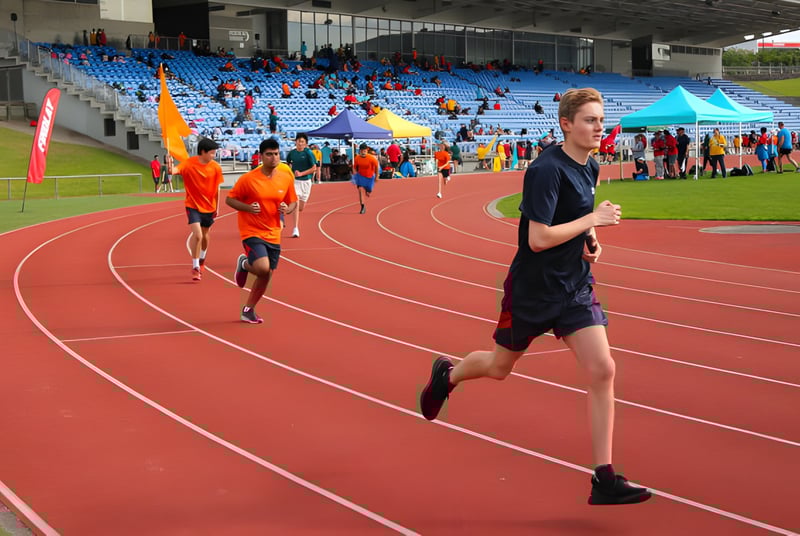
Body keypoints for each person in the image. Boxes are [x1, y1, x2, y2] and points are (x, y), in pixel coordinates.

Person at [418, 87, 652, 507]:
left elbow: (579, 216)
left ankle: (604, 477)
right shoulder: (546, 170)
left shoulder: (590, 165)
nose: (599, 127)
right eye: (590, 120)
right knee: (498, 367)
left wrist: (591, 238)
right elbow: (538, 238)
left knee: (603, 369)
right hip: (532, 289)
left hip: (574, 287)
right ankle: (447, 376)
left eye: (601, 120)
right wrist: (592, 219)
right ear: (566, 124)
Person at [227, 139, 298, 324]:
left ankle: (248, 310)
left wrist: (287, 209)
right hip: (252, 230)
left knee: (267, 274)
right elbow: (230, 200)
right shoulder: (249, 179)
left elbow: (292, 201)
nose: (273, 158)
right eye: (269, 154)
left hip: (274, 232)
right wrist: (248, 208)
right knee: (262, 268)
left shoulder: (285, 176)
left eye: (276, 154)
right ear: (261, 156)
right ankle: (244, 263)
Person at [168, 138, 224, 281]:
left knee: (205, 236)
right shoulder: (188, 163)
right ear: (203, 152)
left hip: (209, 207)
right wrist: (170, 166)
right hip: (192, 205)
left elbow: (218, 189)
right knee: (198, 235)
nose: (214, 156)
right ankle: (195, 267)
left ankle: (203, 259)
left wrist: (217, 207)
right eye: (212, 153)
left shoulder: (216, 167)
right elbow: (174, 171)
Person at [285, 132, 318, 237]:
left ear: (306, 143)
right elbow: (288, 163)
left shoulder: (309, 153)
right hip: (295, 182)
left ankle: (291, 210)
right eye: (299, 141)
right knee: (296, 202)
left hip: (306, 182)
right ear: (296, 142)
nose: (300, 143)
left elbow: (314, 168)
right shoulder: (292, 153)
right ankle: (295, 228)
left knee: (301, 207)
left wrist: (302, 173)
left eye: (302, 142)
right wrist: (290, 171)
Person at [351, 143, 379, 214]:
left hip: (370, 177)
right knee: (360, 189)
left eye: (364, 151)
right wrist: (355, 175)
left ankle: (367, 190)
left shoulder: (372, 158)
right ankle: (362, 207)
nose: (363, 152)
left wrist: (376, 177)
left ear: (367, 150)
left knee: (369, 190)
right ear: (359, 151)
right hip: (361, 176)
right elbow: (354, 167)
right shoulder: (357, 158)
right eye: (362, 151)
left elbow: (376, 168)